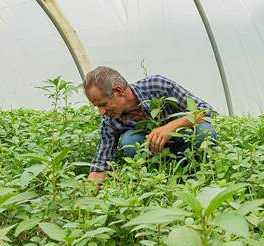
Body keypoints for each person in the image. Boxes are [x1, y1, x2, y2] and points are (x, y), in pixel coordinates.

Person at [84, 66, 217, 182]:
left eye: (103, 105)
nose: (101, 112)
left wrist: (169, 128)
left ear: (118, 91)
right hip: (157, 157)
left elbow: (206, 111)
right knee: (130, 141)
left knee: (205, 130)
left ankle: (203, 175)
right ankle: (158, 179)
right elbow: (101, 163)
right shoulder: (110, 120)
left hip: (187, 146)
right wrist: (88, 194)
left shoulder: (156, 86)